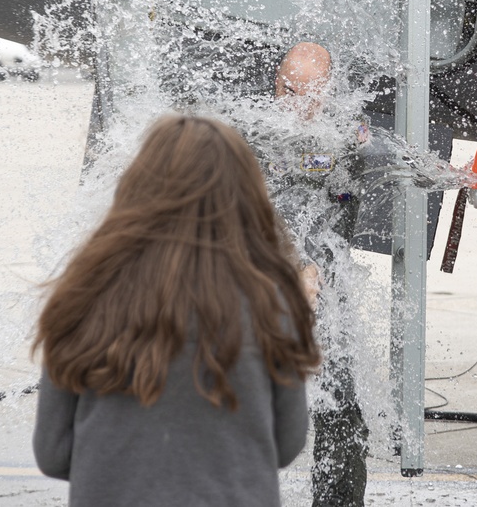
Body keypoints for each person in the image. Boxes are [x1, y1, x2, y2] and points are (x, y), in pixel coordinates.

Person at [31, 115, 319, 507]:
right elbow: (286, 444)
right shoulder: (272, 304)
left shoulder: (84, 296)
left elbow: (53, 453)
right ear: (246, 197)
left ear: (138, 189)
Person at [264, 41, 371, 507]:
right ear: (276, 84)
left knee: (342, 407)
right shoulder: (252, 133)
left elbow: (392, 163)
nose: (301, 104)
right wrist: (297, 263)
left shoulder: (346, 138)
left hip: (323, 293)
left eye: (313, 93)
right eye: (292, 90)